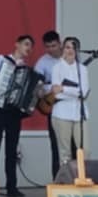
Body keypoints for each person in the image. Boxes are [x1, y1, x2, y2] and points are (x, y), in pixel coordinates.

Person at [0, 33, 38, 197]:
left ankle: (12, 187)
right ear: (17, 44)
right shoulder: (0, 60)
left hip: (15, 111)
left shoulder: (26, 69)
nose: (28, 48)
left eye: (31, 46)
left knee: (12, 149)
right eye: (26, 44)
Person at [42, 37, 87, 183]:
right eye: (68, 47)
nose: (70, 50)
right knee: (64, 152)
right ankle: (64, 183)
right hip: (61, 112)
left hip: (79, 112)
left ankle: (81, 178)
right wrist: (72, 90)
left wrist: (65, 89)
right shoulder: (57, 67)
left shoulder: (82, 69)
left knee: (84, 149)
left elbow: (84, 92)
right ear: (63, 49)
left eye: (74, 48)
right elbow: (56, 92)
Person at [34, 28, 65, 180]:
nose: (51, 49)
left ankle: (74, 179)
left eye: (54, 45)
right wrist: (49, 89)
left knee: (74, 145)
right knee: (56, 145)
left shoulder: (69, 58)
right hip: (53, 105)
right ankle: (57, 180)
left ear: (60, 43)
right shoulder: (42, 62)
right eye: (48, 46)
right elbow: (37, 86)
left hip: (70, 105)